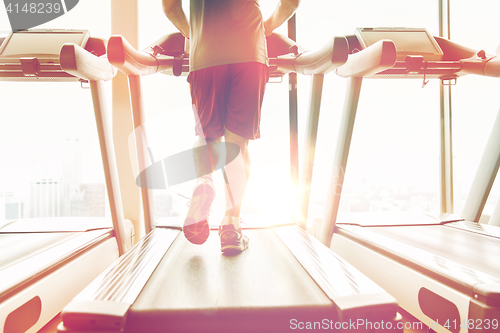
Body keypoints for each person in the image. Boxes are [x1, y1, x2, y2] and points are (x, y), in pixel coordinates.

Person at [162, 0, 300, 254]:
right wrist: (265, 26)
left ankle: (204, 182)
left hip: (206, 53)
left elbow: (170, 7)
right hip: (249, 50)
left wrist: (194, 32)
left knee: (207, 136)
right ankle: (230, 227)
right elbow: (291, 2)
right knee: (237, 145)